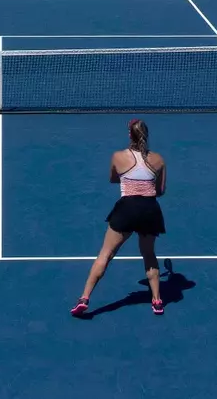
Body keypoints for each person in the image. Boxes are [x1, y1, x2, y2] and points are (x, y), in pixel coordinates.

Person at [71, 118, 167, 318]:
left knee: (105, 254)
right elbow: (160, 191)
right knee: (149, 255)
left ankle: (84, 299)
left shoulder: (117, 157)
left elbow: (113, 179)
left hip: (127, 209)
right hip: (150, 210)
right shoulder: (159, 159)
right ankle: (157, 301)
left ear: (129, 136)